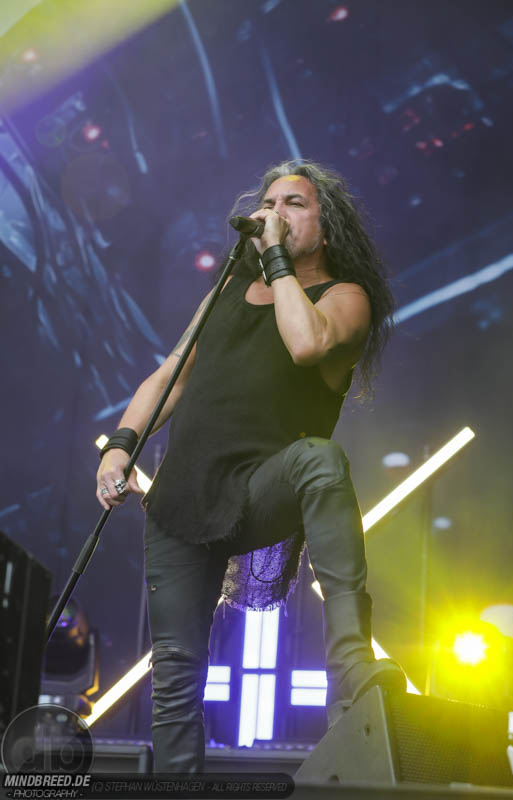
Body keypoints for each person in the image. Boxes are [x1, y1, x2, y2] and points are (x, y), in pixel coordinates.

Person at [96, 160, 406, 773]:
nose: (275, 213)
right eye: (269, 203)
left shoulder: (345, 298)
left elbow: (306, 344)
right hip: (183, 496)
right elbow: (171, 374)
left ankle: (352, 662)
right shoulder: (226, 293)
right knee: (175, 673)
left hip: (263, 487)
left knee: (321, 461)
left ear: (326, 227)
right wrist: (120, 446)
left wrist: (276, 259)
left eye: (294, 204)